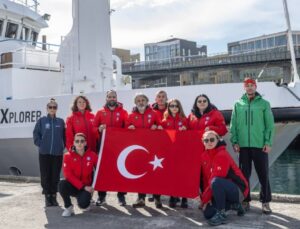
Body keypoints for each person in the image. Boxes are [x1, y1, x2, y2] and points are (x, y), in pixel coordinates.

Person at [230, 77, 275, 214]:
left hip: (259, 145)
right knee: (244, 175)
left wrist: (268, 142)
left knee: (263, 174)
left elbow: (270, 125)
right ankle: (245, 200)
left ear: (255, 87)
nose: (249, 87)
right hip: (243, 146)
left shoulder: (264, 104)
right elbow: (233, 125)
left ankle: (265, 202)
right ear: (244, 88)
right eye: (247, 85)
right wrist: (235, 141)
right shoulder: (238, 104)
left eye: (252, 85)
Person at [200, 130, 249, 226]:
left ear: (217, 140)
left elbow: (216, 179)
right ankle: (234, 206)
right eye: (206, 140)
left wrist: (204, 199)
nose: (209, 142)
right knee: (208, 213)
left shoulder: (222, 155)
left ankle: (222, 214)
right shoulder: (204, 156)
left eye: (212, 139)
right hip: (221, 189)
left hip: (238, 189)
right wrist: (206, 201)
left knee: (216, 181)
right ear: (203, 142)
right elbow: (207, 179)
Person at [126, 93, 162, 208]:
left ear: (147, 101)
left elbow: (160, 125)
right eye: (138, 100)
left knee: (154, 174)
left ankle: (157, 198)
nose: (141, 102)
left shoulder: (154, 114)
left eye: (143, 100)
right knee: (140, 173)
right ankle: (141, 198)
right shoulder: (131, 115)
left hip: (153, 149)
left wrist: (156, 126)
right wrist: (129, 128)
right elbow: (125, 129)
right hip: (139, 150)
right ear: (135, 103)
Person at [94, 90, 128, 206]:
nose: (112, 99)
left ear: (116, 98)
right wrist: (98, 129)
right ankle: (101, 196)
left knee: (121, 170)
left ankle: (121, 196)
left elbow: (128, 127)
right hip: (103, 147)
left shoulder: (123, 112)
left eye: (114, 97)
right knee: (103, 171)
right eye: (109, 97)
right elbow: (93, 128)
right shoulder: (100, 112)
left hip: (119, 147)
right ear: (106, 98)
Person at [33, 98, 65, 207]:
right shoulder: (42, 121)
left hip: (57, 153)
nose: (52, 109)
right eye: (50, 107)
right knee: (45, 175)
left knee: (55, 175)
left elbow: (64, 136)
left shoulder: (60, 122)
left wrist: (62, 146)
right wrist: (40, 144)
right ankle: (47, 196)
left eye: (54, 107)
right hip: (44, 153)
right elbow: (36, 133)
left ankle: (53, 196)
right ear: (47, 109)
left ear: (56, 109)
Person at [58, 133, 98, 217]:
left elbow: (99, 170)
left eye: (82, 141)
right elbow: (68, 175)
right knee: (62, 184)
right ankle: (68, 207)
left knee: (84, 205)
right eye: (77, 141)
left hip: (86, 188)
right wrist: (83, 186)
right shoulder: (67, 156)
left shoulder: (93, 155)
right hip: (74, 186)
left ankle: (85, 200)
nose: (79, 143)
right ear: (74, 143)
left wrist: (93, 187)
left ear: (85, 143)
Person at [161, 99, 188, 208]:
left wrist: (186, 129)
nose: (174, 108)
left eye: (176, 105)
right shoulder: (164, 121)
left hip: (182, 152)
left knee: (182, 175)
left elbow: (191, 134)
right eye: (171, 106)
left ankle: (184, 198)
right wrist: (158, 129)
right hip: (169, 153)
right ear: (168, 107)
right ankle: (173, 196)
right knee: (172, 175)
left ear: (179, 107)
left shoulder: (184, 120)